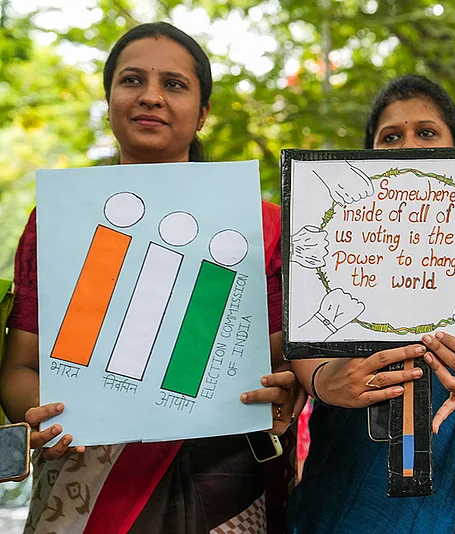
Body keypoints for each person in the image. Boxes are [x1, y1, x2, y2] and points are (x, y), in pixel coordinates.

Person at [0, 22, 304, 534]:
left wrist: (290, 386)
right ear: (110, 98)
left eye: (175, 84)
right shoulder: (57, 221)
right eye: (132, 80)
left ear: (203, 112)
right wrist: (43, 416)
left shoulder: (264, 225)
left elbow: (285, 362)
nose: (151, 97)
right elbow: (21, 367)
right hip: (85, 480)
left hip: (224, 480)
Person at [287, 74, 455, 533]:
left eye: (427, 132)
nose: (408, 144)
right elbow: (307, 345)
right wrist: (328, 383)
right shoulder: (330, 243)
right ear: (368, 156)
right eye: (391, 137)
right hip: (352, 469)